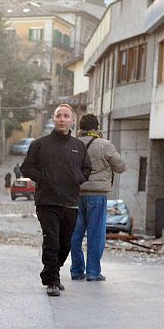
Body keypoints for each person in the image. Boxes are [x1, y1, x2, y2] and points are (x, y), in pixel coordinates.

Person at [22, 104, 91, 297]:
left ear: (72, 120)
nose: (62, 119)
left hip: (70, 201)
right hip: (47, 201)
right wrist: (45, 178)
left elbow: (87, 169)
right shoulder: (39, 144)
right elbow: (26, 169)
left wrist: (77, 178)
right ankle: (51, 280)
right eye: (59, 116)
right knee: (51, 240)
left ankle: (53, 271)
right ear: (54, 119)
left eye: (66, 116)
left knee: (66, 243)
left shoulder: (78, 146)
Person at [71, 114, 127, 282]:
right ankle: (93, 272)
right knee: (96, 235)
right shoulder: (105, 145)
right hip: (97, 195)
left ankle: (76, 270)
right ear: (96, 128)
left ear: (80, 128)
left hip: (76, 194)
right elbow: (121, 166)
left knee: (75, 234)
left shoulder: (74, 144)